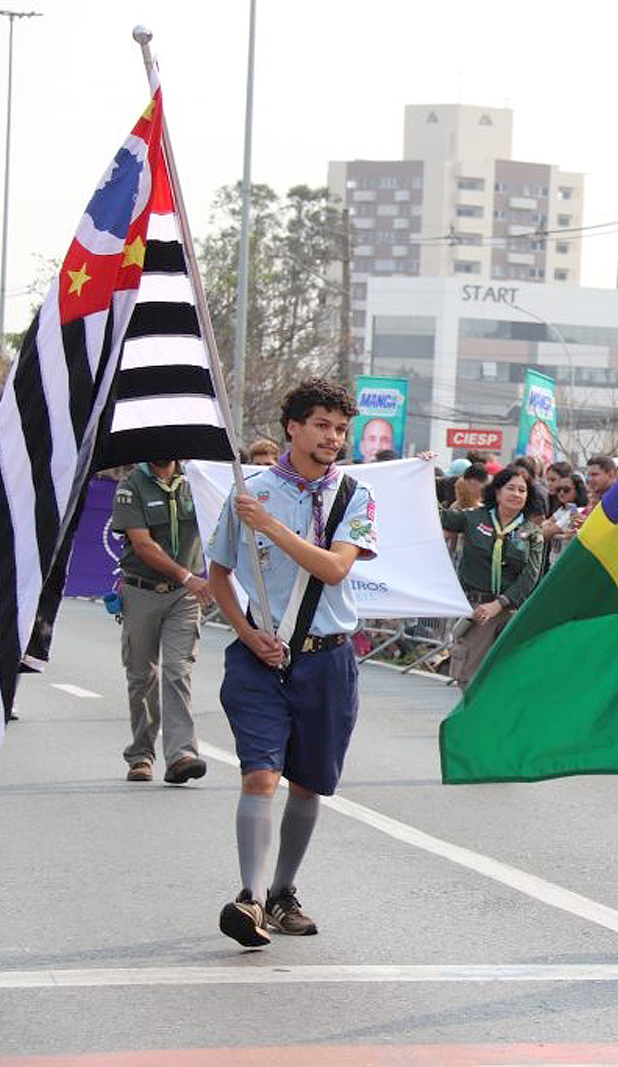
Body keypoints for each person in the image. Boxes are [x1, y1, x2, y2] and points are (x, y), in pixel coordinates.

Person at [205, 377, 378, 947]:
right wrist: (246, 632)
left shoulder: (353, 497)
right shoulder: (249, 491)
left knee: (308, 785)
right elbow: (219, 575)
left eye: (340, 429)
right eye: (322, 425)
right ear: (293, 427)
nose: (333, 437)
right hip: (261, 659)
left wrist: (271, 527)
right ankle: (250, 898)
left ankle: (283, 892)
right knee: (260, 774)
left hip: (328, 661)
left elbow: (334, 569)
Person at [111, 459, 212, 785]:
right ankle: (141, 754)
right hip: (141, 590)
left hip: (183, 597)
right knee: (142, 675)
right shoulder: (131, 486)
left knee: (177, 670)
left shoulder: (197, 481)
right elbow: (141, 544)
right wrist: (187, 576)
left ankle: (182, 754)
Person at [440, 467, 545, 686]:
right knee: (469, 677)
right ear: (497, 492)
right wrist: (422, 471)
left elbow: (530, 576)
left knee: (504, 680)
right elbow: (436, 517)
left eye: (522, 490)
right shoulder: (473, 518)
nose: (517, 494)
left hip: (509, 612)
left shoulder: (531, 533)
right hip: (476, 609)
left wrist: (500, 604)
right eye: (511, 488)